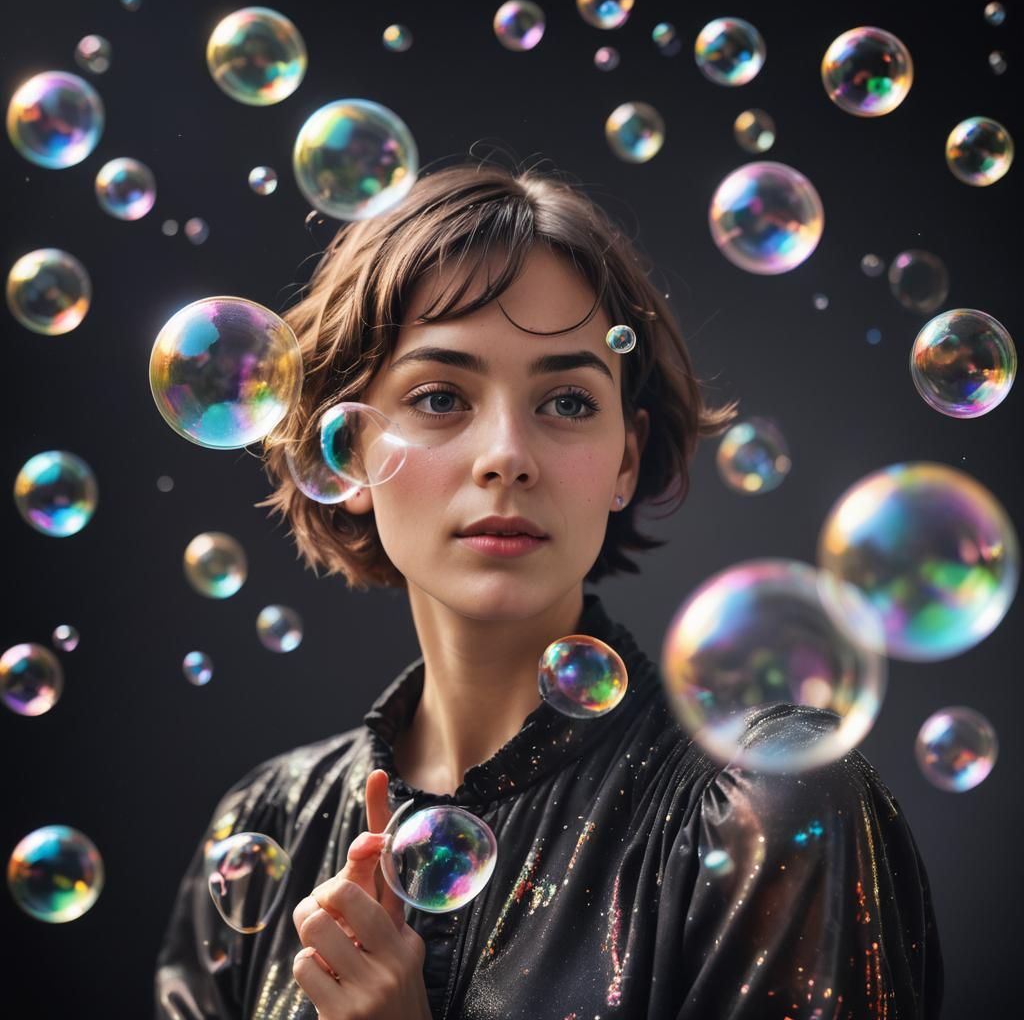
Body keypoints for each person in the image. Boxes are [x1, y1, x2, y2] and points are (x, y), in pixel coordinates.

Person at [154, 161, 943, 1019]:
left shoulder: (771, 804)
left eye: (567, 402)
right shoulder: (267, 822)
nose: (507, 455)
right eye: (440, 396)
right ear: (345, 453)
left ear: (626, 460)